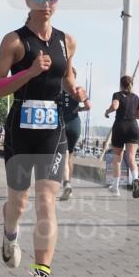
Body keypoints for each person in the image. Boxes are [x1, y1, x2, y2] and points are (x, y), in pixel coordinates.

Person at [0, 0, 86, 277]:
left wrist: (76, 89)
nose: (47, 1)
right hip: (20, 129)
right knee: (18, 204)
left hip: (53, 131)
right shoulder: (14, 42)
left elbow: (68, 75)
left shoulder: (66, 41)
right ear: (29, 0)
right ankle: (9, 233)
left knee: (47, 203)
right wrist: (28, 73)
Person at [104, 75, 139, 198]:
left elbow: (115, 106)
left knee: (117, 158)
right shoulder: (136, 98)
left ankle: (115, 188)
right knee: (131, 157)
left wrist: (107, 111)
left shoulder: (117, 95)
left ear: (121, 84)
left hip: (120, 127)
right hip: (133, 127)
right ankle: (135, 178)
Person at [58, 67, 90, 201]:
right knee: (69, 156)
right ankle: (68, 185)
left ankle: (65, 184)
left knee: (61, 155)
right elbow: (88, 106)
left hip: (61, 122)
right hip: (75, 123)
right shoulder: (79, 89)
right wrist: (79, 109)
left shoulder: (57, 88)